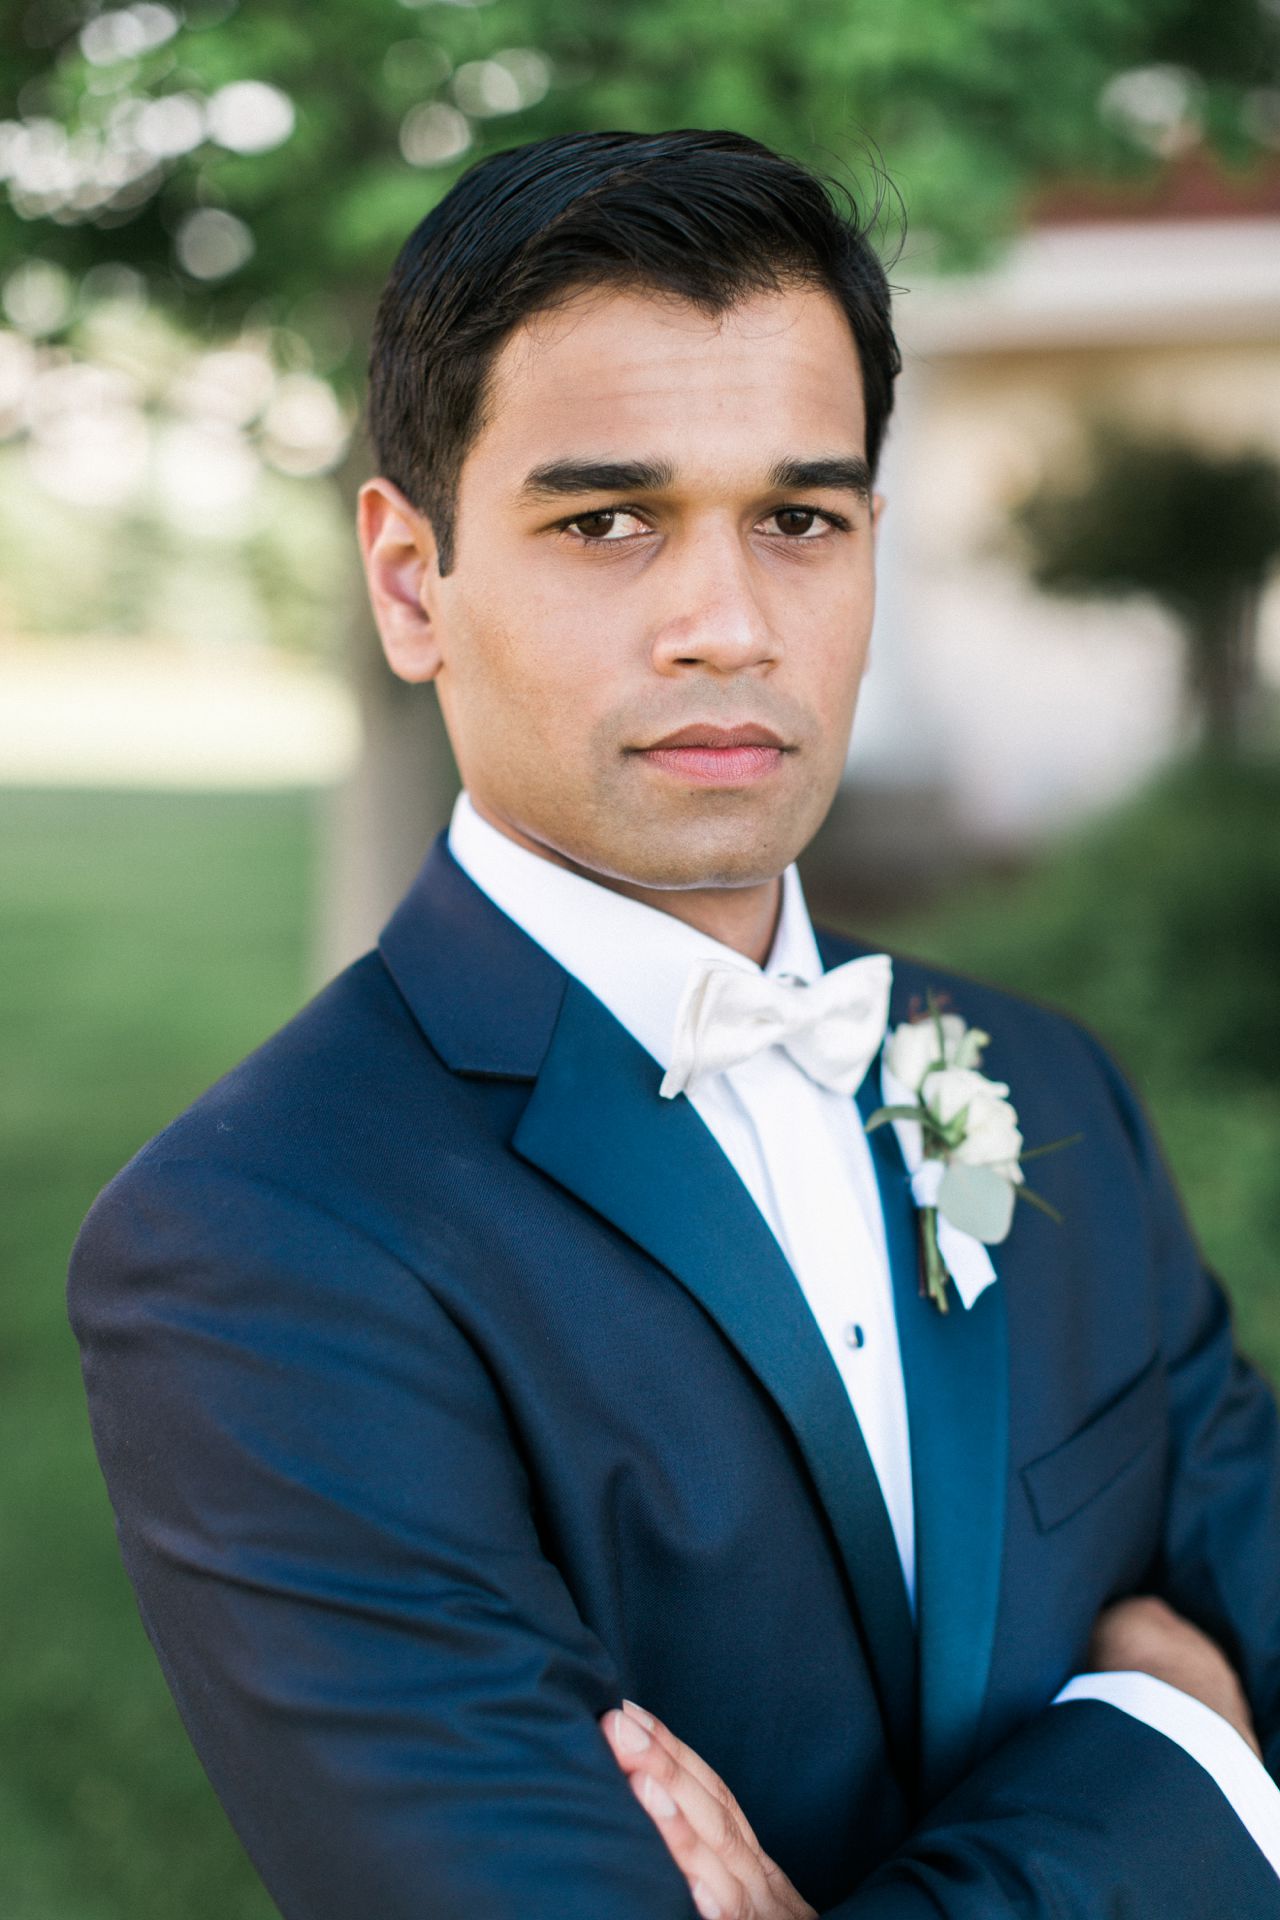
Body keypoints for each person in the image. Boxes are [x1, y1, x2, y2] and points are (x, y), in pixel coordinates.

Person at [67, 127, 1280, 1919]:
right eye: (606, 521)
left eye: (800, 518)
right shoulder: (256, 1251)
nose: (727, 625)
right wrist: (1180, 1763)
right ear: (414, 582)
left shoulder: (1046, 1085)